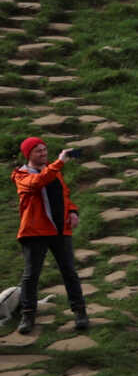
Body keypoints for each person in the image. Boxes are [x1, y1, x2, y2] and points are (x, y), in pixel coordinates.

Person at [12, 135, 87, 337]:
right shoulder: (21, 175)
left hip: (60, 230)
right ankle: (28, 315)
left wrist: (72, 211)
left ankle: (80, 312)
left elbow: (63, 194)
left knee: (69, 271)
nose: (43, 153)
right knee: (31, 276)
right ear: (29, 155)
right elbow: (38, 183)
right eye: (38, 151)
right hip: (35, 232)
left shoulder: (52, 172)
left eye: (45, 150)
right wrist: (59, 162)